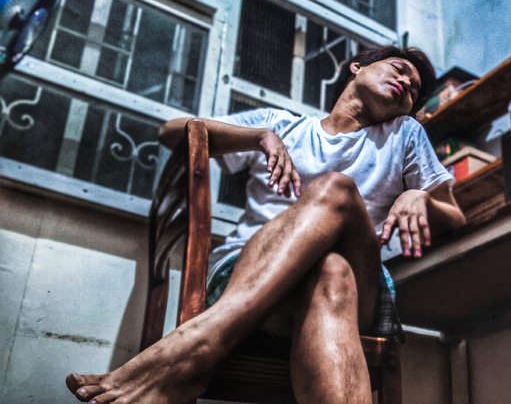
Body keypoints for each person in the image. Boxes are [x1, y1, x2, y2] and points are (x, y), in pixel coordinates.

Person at [65, 46, 466, 404]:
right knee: (331, 270)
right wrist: (260, 136)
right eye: (398, 69)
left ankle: (195, 349)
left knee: (336, 190)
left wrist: (419, 195)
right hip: (256, 278)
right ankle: (199, 346)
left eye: (413, 89)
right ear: (357, 67)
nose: (404, 83)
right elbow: (172, 133)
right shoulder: (282, 125)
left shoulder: (404, 134)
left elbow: (454, 216)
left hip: (359, 291)